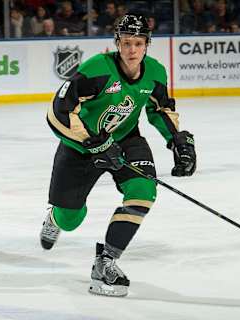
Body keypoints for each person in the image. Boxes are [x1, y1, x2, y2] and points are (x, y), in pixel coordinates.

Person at [39, 14, 197, 297]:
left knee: (143, 190)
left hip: (125, 139)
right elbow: (58, 112)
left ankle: (106, 261)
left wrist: (177, 141)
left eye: (138, 43)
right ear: (117, 43)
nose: (132, 50)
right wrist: (93, 143)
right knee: (71, 219)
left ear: (147, 44)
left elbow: (160, 109)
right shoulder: (97, 69)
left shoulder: (155, 73)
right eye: (126, 43)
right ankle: (56, 219)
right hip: (80, 147)